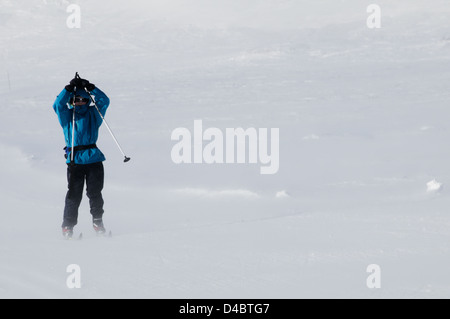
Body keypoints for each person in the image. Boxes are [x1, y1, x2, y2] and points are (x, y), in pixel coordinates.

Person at [53, 75, 110, 239]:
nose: (79, 102)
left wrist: (91, 88)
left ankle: (98, 221)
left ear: (87, 100)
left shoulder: (94, 113)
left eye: (82, 99)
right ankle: (68, 227)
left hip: (94, 159)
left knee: (95, 193)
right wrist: (67, 89)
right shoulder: (67, 116)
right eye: (75, 99)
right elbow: (57, 105)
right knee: (74, 194)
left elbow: (104, 100)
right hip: (75, 160)